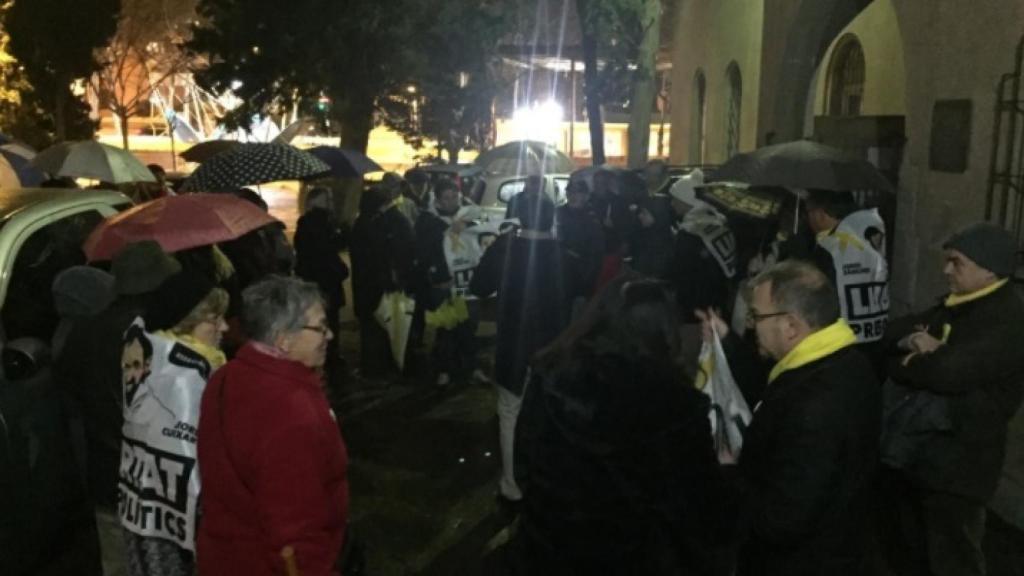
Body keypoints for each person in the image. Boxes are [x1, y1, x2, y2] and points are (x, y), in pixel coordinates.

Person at [514, 274, 733, 574]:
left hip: (549, 549)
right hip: (633, 558)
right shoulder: (674, 404)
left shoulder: (552, 373)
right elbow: (700, 505)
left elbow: (524, 462)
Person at [703, 259, 880, 575]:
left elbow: (780, 520)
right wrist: (728, 341)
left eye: (757, 316)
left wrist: (729, 474)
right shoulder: (846, 362)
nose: (751, 324)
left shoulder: (815, 406)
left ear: (791, 326)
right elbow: (773, 381)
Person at [882, 223, 1024, 576]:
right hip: (924, 457)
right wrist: (918, 347)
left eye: (956, 263)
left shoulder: (1006, 320)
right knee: (913, 549)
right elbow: (892, 334)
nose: (946, 271)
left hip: (962, 468)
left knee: (954, 557)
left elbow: (950, 373)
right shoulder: (955, 305)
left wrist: (922, 360)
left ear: (988, 270)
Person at [196, 276, 349, 576]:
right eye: (319, 327)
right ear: (283, 338)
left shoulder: (226, 376)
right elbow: (295, 532)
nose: (329, 335)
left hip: (225, 557)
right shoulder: (290, 411)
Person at [54, 240, 181, 576]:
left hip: (106, 476)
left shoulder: (84, 332)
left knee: (117, 561)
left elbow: (68, 392)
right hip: (156, 481)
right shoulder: (157, 337)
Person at [119, 269, 229, 576]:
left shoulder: (150, 353)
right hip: (179, 520)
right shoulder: (186, 376)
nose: (225, 327)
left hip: (148, 511)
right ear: (186, 322)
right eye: (215, 319)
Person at [470, 190, 565, 505]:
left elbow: (478, 286)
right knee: (547, 413)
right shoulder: (560, 251)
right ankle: (545, 476)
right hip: (553, 346)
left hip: (514, 343)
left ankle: (511, 482)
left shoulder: (506, 247)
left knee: (509, 412)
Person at [414, 179, 484, 387]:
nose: (452, 202)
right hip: (442, 284)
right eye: (447, 198)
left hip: (463, 281)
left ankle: (470, 366)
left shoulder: (468, 216)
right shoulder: (427, 221)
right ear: (438, 199)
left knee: (467, 325)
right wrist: (438, 276)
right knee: (445, 328)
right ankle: (443, 369)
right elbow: (423, 253)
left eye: (455, 196)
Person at [804, 190, 888, 345]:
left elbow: (823, 297)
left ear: (820, 214)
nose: (808, 218)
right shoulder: (865, 239)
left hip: (839, 336)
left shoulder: (829, 248)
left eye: (809, 211)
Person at [350, 186, 416, 378]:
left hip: (374, 284)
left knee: (376, 326)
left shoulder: (376, 222)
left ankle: (376, 368)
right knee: (385, 325)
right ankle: (385, 366)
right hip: (380, 284)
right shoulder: (386, 220)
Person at [668, 169, 738, 321]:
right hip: (718, 304)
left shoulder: (690, 233)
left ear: (688, 201)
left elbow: (681, 274)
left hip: (695, 310)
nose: (672, 204)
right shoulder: (717, 222)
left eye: (675, 199)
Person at [294, 187, 350, 360]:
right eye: (327, 199)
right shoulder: (318, 222)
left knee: (324, 319)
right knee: (328, 319)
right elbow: (326, 251)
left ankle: (329, 355)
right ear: (315, 202)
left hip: (317, 280)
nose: (331, 202)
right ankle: (330, 356)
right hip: (324, 281)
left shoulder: (311, 223)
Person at [556, 179, 604, 319]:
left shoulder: (592, 218)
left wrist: (586, 286)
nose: (573, 195)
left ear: (586, 196)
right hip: (558, 276)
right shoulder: (558, 213)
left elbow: (596, 255)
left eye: (578, 193)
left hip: (580, 278)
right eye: (570, 192)